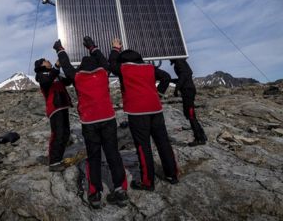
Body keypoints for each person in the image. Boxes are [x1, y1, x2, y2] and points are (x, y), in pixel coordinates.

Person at [54, 36, 129, 209]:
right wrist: (92, 46)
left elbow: (65, 65)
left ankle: (94, 194)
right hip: (108, 120)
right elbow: (105, 61)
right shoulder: (103, 72)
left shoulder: (77, 77)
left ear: (81, 67)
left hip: (89, 123)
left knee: (94, 157)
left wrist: (59, 49)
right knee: (113, 154)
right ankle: (120, 190)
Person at [109, 38, 179, 191]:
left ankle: (147, 182)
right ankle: (172, 174)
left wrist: (115, 49)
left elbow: (112, 64)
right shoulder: (149, 68)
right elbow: (166, 77)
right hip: (155, 110)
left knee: (143, 146)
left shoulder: (123, 69)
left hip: (137, 113)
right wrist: (158, 93)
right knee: (163, 143)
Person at [34, 58, 72, 172]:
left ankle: (56, 158)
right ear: (41, 65)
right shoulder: (42, 75)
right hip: (55, 107)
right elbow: (46, 82)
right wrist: (56, 67)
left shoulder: (55, 74)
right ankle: (54, 162)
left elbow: (68, 81)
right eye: (46, 60)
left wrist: (67, 69)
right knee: (58, 134)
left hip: (63, 106)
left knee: (65, 134)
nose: (49, 61)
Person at [170, 58, 208, 146]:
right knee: (190, 114)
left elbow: (183, 75)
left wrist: (177, 88)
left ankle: (199, 139)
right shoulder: (181, 62)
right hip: (188, 90)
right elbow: (184, 77)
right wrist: (171, 80)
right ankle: (202, 135)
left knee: (190, 115)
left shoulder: (179, 62)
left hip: (187, 91)